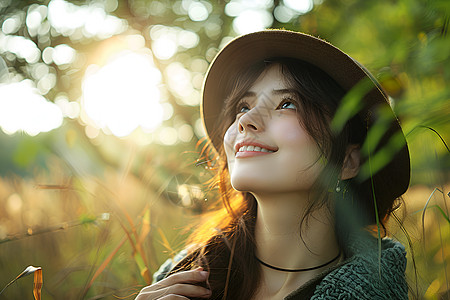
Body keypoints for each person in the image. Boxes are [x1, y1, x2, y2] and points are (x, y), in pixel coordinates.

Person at [135, 30, 411, 299]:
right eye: (242, 106)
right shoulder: (185, 275)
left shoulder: (373, 291)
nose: (245, 120)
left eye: (287, 104)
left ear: (348, 162)